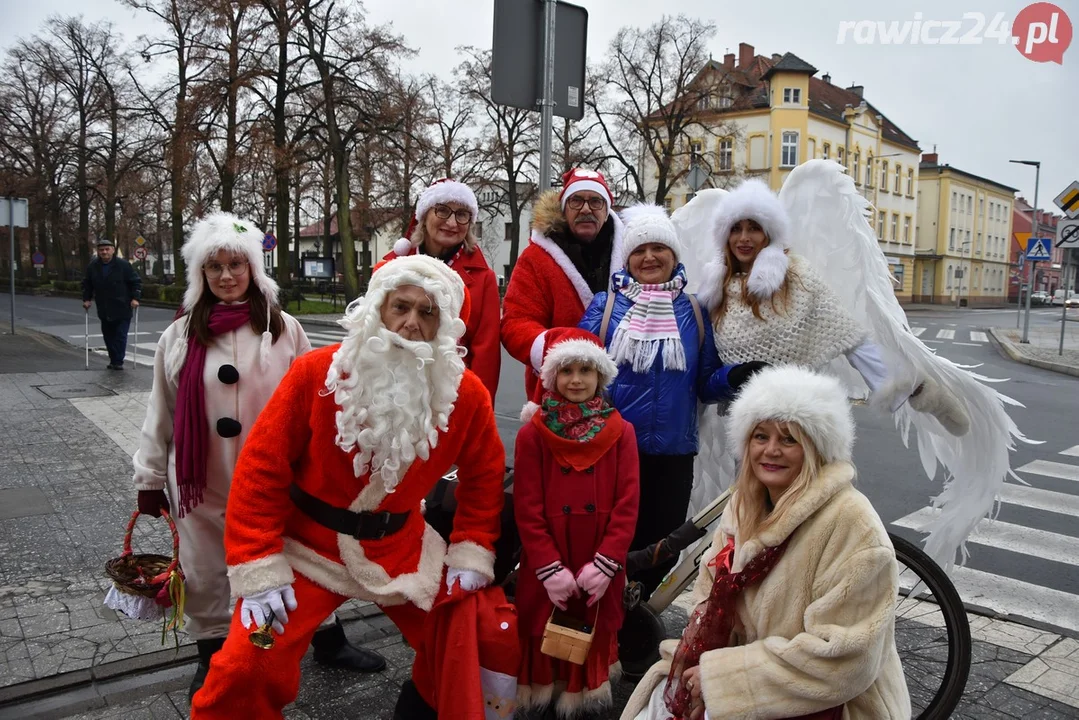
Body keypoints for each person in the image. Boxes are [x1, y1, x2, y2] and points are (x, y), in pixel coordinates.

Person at [190, 254, 507, 720]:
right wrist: (257, 563)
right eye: (400, 307)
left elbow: (484, 476)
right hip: (306, 548)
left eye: (427, 313)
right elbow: (261, 467)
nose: (410, 324)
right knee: (246, 666)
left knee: (476, 640)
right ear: (377, 307)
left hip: (401, 549)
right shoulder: (314, 373)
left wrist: (471, 547)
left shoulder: (465, 394)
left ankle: (421, 711)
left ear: (445, 327)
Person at [131, 212, 385, 701]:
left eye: (236, 265)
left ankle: (327, 639)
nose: (226, 276)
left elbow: (319, 400)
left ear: (253, 268)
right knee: (205, 569)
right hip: (201, 481)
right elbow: (159, 410)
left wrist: (335, 465)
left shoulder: (283, 329)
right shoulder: (179, 337)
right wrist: (147, 476)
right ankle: (211, 655)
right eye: (215, 268)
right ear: (200, 276)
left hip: (277, 480)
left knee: (300, 559)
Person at [621, 366, 912, 720]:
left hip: (826, 703)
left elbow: (844, 657)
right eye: (760, 436)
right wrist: (705, 675)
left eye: (789, 439)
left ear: (815, 448)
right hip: (740, 678)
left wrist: (722, 681)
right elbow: (706, 595)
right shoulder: (743, 506)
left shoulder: (852, 525)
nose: (771, 450)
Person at [682, 178, 969, 523]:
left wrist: (910, 388)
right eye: (736, 229)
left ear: (769, 233)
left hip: (801, 423)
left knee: (804, 518)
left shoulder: (798, 277)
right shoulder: (716, 295)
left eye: (754, 228)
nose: (744, 238)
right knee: (755, 520)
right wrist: (732, 376)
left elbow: (847, 335)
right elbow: (709, 379)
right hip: (750, 429)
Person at [578, 205, 761, 596]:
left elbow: (706, 385)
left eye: (659, 248)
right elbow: (577, 374)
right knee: (610, 545)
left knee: (662, 549)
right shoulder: (604, 306)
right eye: (640, 250)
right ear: (627, 259)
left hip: (673, 455)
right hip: (612, 452)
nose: (649, 257)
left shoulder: (694, 310)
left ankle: (632, 619)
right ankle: (603, 626)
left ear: (674, 256)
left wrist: (734, 377)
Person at [514, 328, 639, 719]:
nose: (576, 380)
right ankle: (544, 700)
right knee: (544, 637)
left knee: (592, 633)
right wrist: (549, 569)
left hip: (596, 557)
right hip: (550, 558)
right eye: (566, 371)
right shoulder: (532, 435)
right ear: (552, 378)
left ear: (600, 377)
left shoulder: (621, 432)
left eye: (586, 370)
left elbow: (627, 503)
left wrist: (607, 563)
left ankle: (585, 701)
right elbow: (528, 507)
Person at [501, 168, 625, 399]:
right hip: (558, 392)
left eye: (596, 201)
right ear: (563, 209)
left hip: (624, 393)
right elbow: (516, 322)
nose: (586, 209)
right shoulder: (536, 258)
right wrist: (560, 350)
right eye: (576, 201)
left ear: (607, 211)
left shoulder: (632, 253)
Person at [387, 178, 501, 399]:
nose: (452, 222)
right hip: (393, 386)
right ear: (424, 216)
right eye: (442, 211)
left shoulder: (483, 279)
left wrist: (478, 406)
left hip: (450, 392)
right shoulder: (391, 267)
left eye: (462, 214)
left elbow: (486, 354)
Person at [82, 237, 142, 370]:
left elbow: (135, 281)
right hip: (104, 307)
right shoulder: (93, 266)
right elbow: (87, 284)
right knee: (108, 336)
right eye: (101, 250)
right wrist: (86, 299)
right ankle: (113, 359)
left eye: (107, 249)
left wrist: (136, 298)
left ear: (113, 250)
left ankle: (118, 361)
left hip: (122, 306)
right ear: (98, 251)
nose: (104, 252)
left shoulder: (123, 265)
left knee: (120, 335)